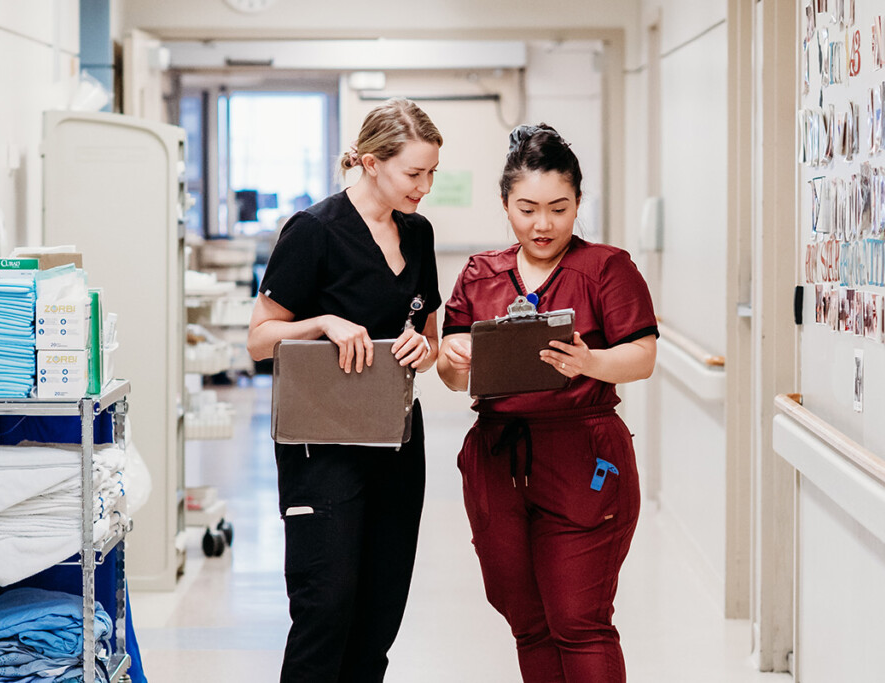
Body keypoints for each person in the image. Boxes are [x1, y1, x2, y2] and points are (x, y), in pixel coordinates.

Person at [437, 123, 658, 682]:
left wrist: (590, 362)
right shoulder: (480, 273)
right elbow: (449, 373)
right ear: (505, 204)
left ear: (578, 203)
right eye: (527, 208)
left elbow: (642, 356)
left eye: (559, 208)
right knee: (528, 621)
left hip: (582, 456)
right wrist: (453, 354)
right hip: (497, 460)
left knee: (578, 620)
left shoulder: (607, 268)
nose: (543, 224)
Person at [246, 98, 442, 683]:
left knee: (378, 618)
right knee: (325, 610)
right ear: (372, 162)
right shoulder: (313, 232)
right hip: (322, 450)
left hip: (397, 444)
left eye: (432, 173)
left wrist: (422, 349)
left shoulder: (418, 233)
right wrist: (320, 323)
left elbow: (430, 337)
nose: (424, 187)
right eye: (414, 173)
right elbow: (259, 340)